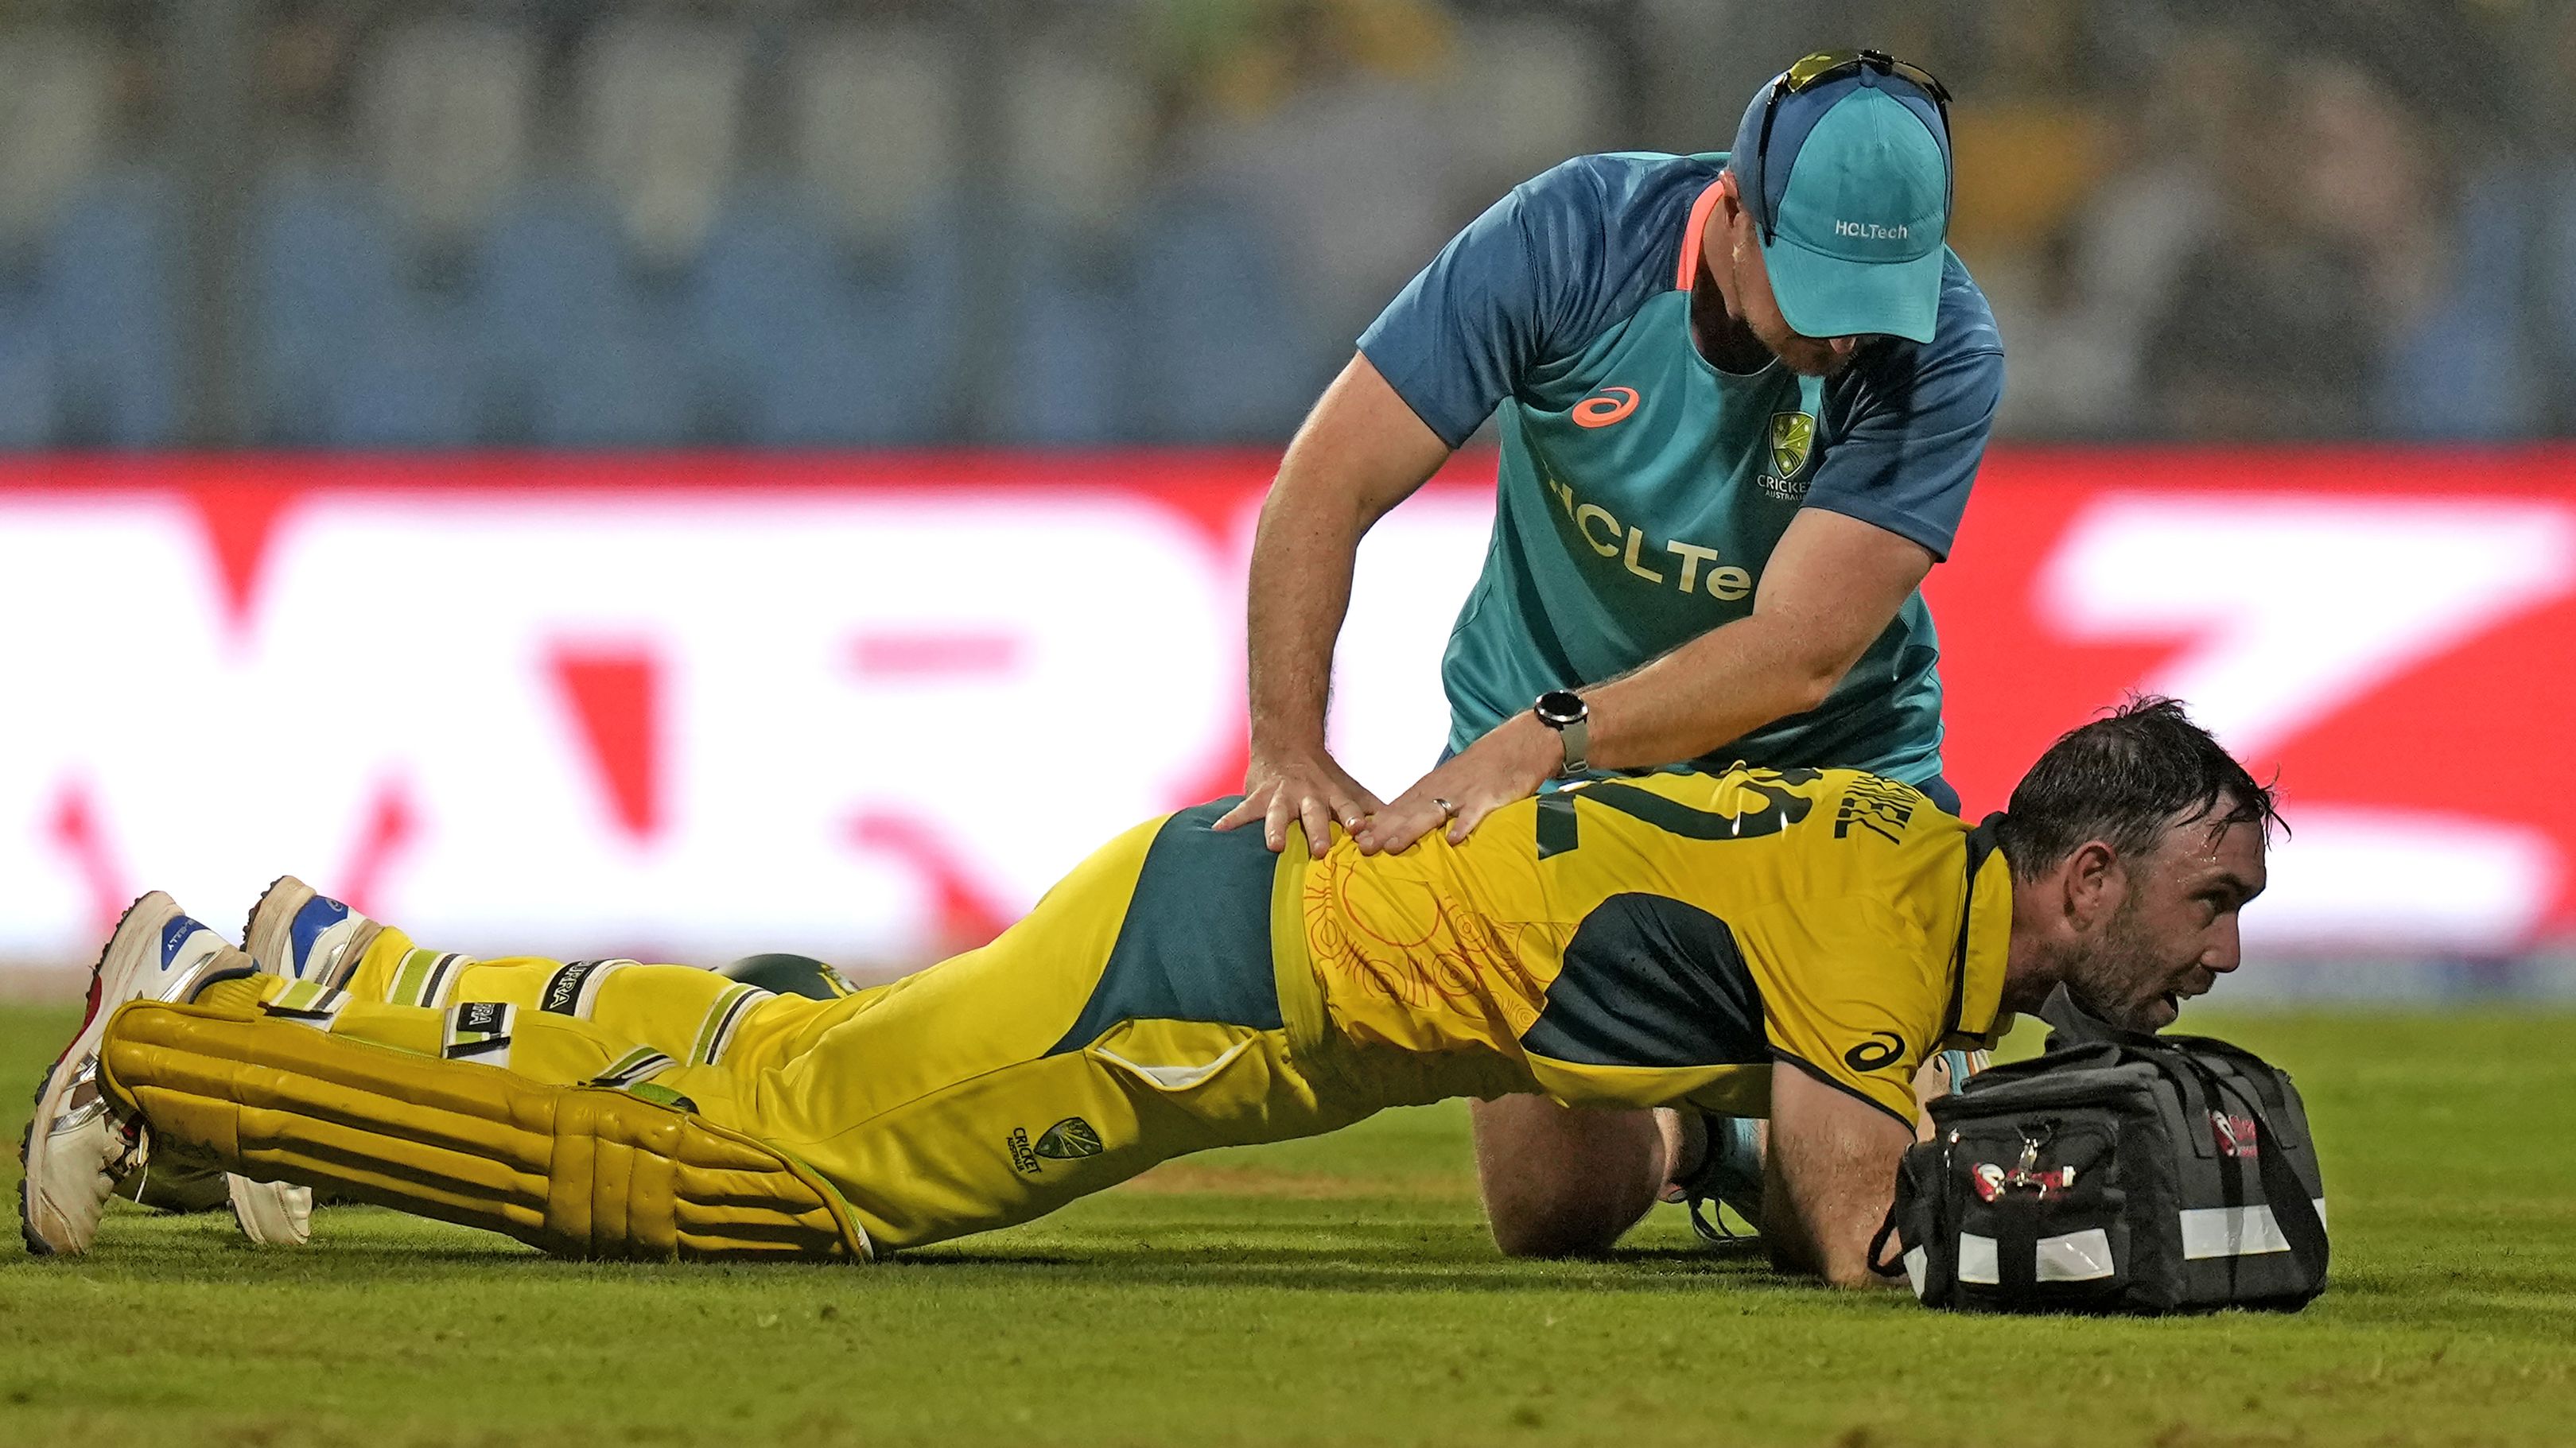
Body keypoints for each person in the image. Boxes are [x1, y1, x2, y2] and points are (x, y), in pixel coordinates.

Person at [24, 699, 2272, 1286]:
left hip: (1226, 914)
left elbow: (1772, 1145)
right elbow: (1862, 1221)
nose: (2223, 951)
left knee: (769, 1053)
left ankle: (330, 977)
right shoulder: (1891, 931)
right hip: (1215, 982)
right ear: (2082, 872)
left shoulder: (1894, 865)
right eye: (2207, 896)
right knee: (766, 1179)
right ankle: (196, 1049)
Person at [1214, 50, 2004, 1252]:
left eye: (1876, 298)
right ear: (1735, 209)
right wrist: (1285, 746)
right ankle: (1695, 1138)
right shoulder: (1570, 240)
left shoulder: (1947, 345)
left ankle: (1765, 1142)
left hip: (1830, 784)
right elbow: (1324, 482)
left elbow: (1796, 654)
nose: (1851, 336)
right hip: (1562, 774)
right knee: (1549, 1211)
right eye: (1822, 289)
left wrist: (1547, 733)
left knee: (1846, 1229)